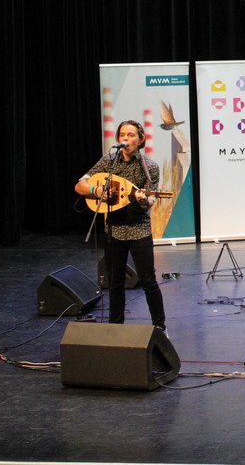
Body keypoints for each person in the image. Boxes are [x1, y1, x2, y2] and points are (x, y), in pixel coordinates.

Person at [75, 120, 167, 332]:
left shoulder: (149, 166)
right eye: (123, 135)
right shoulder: (109, 161)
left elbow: (151, 200)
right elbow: (80, 185)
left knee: (148, 280)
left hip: (139, 229)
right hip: (114, 230)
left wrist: (143, 200)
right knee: (115, 283)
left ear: (140, 140)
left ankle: (159, 326)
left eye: (131, 135)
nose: (126, 138)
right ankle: (115, 329)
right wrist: (97, 191)